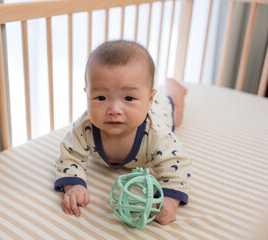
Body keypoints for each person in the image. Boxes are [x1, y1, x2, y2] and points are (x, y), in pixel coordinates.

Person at [54, 40, 192, 225]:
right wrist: (74, 185)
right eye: (101, 97)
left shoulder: (157, 134)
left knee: (177, 114)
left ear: (149, 99)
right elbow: (70, 155)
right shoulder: (84, 128)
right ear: (87, 95)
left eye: (128, 98)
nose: (114, 109)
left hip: (161, 111)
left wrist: (169, 200)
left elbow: (176, 165)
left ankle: (175, 91)